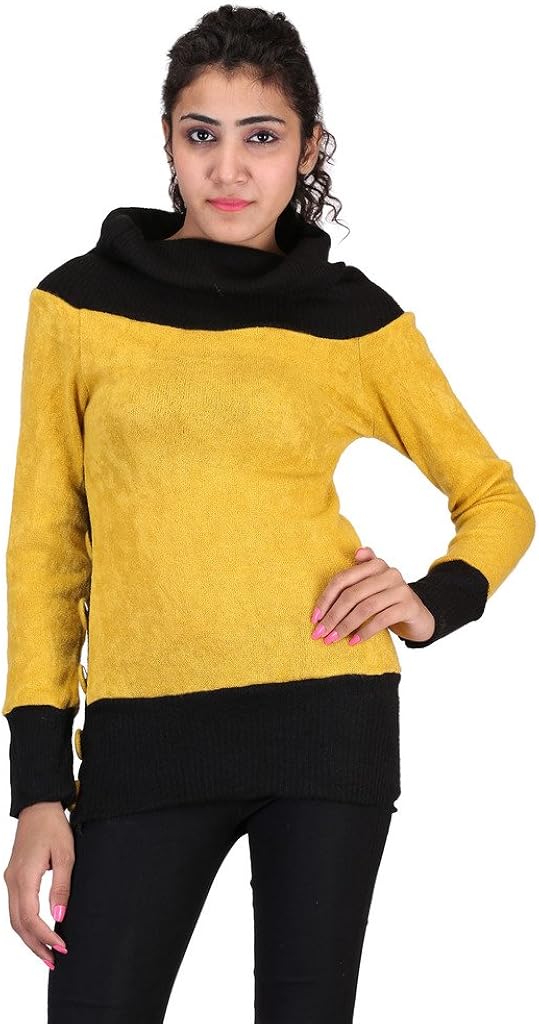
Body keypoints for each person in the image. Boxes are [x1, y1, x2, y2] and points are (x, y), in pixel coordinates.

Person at [2, 6, 535, 1023]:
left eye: (262, 136)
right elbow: (45, 549)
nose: (229, 169)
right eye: (200, 134)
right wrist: (37, 789)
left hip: (324, 722)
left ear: (308, 147)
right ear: (166, 140)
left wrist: (433, 601)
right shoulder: (77, 306)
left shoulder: (351, 316)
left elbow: (496, 497)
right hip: (143, 739)